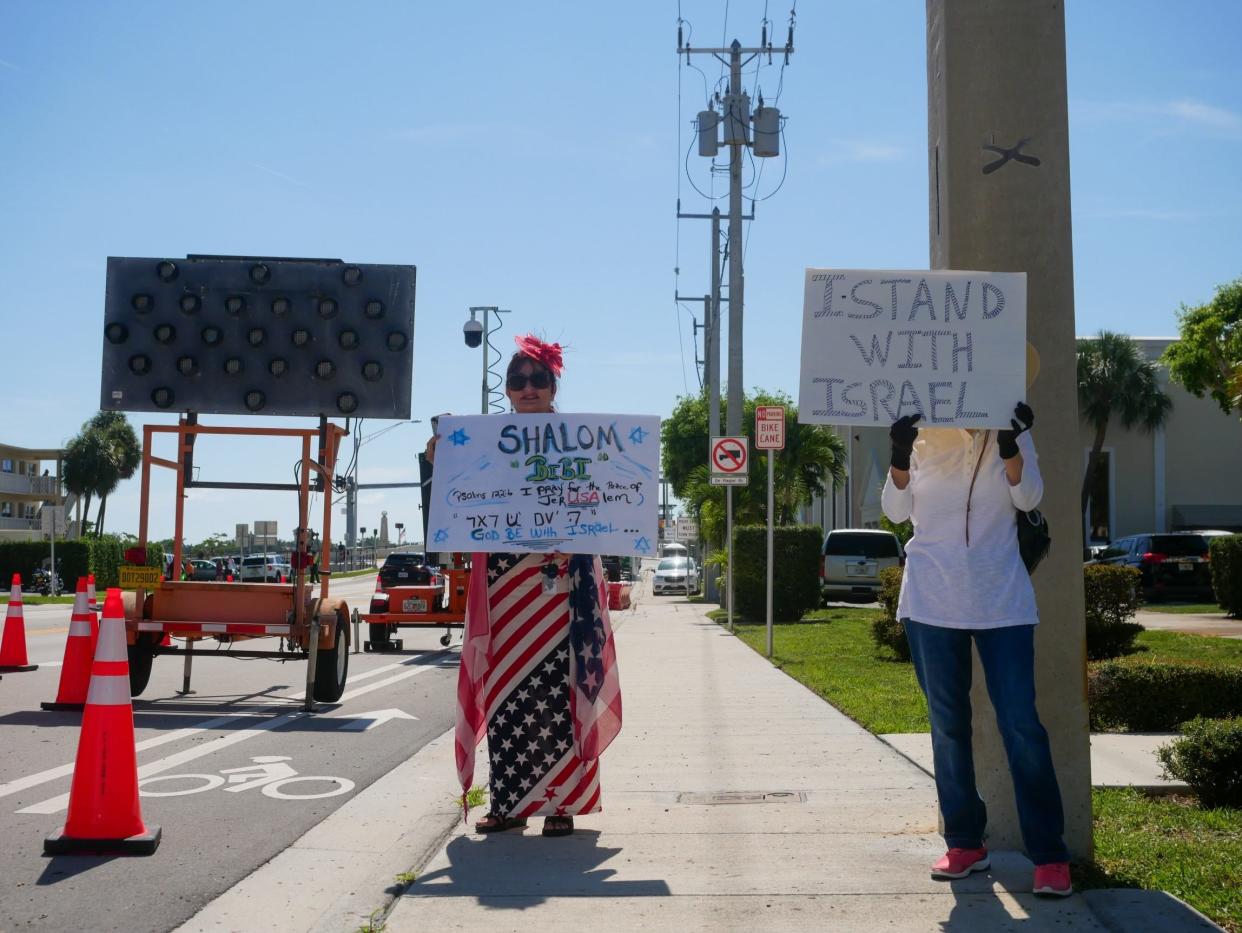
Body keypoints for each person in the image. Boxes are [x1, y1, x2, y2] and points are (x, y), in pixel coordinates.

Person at [430, 335, 622, 838]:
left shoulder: (581, 439)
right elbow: (457, 504)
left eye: (538, 380)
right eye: (518, 381)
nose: (528, 388)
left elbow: (608, 498)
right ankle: (509, 802)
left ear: (554, 385)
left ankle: (564, 802)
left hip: (562, 583)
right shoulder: (487, 441)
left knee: (563, 692)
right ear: (508, 391)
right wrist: (439, 461)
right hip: (503, 583)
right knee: (507, 696)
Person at [881, 403, 1072, 898]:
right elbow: (895, 511)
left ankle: (1049, 853)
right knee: (947, 726)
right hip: (930, 600)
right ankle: (965, 841)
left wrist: (1011, 446)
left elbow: (1029, 495)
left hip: (1001, 599)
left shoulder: (1011, 429)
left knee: (1020, 723)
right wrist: (900, 453)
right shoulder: (922, 435)